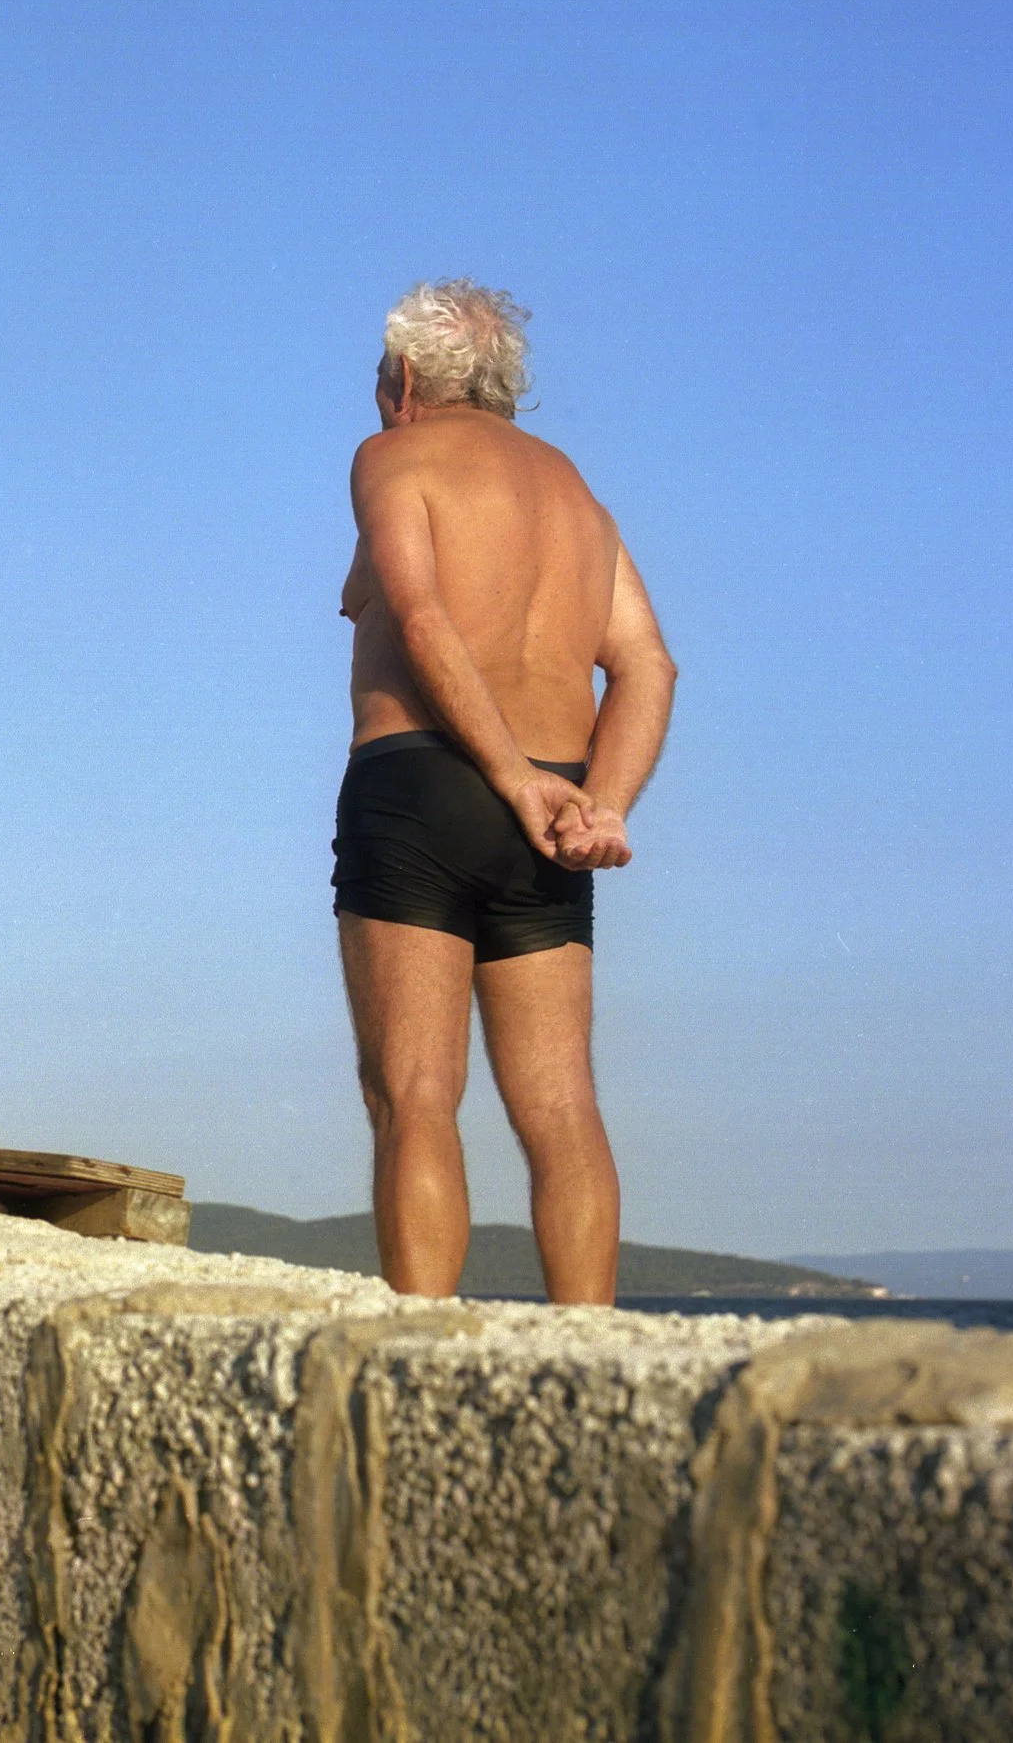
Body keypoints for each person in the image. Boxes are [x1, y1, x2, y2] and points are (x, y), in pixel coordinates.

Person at [333, 282, 676, 1305]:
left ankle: (419, 1356)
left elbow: (424, 614)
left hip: (425, 779)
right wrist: (594, 802)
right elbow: (648, 666)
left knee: (414, 1094)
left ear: (402, 380)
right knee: (562, 1108)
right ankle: (590, 1355)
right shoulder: (576, 495)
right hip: (558, 807)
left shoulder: (391, 454)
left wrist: (502, 772)